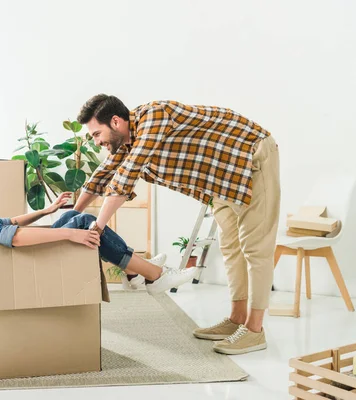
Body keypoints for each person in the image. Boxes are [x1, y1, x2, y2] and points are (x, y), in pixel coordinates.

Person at [73, 95, 280, 355]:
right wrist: (71, 217)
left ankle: (255, 331)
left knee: (255, 248)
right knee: (231, 248)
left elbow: (126, 176)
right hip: (221, 177)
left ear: (116, 121)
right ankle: (237, 319)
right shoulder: (125, 140)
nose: (96, 141)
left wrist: (97, 228)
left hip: (251, 158)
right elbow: (101, 176)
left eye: (96, 134)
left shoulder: (154, 117)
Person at [0, 162, 197, 297]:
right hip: (16, 263)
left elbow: (6, 223)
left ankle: (133, 270)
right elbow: (13, 238)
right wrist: (68, 233)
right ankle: (152, 275)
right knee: (79, 222)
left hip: (13, 257)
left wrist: (46, 211)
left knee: (73, 214)